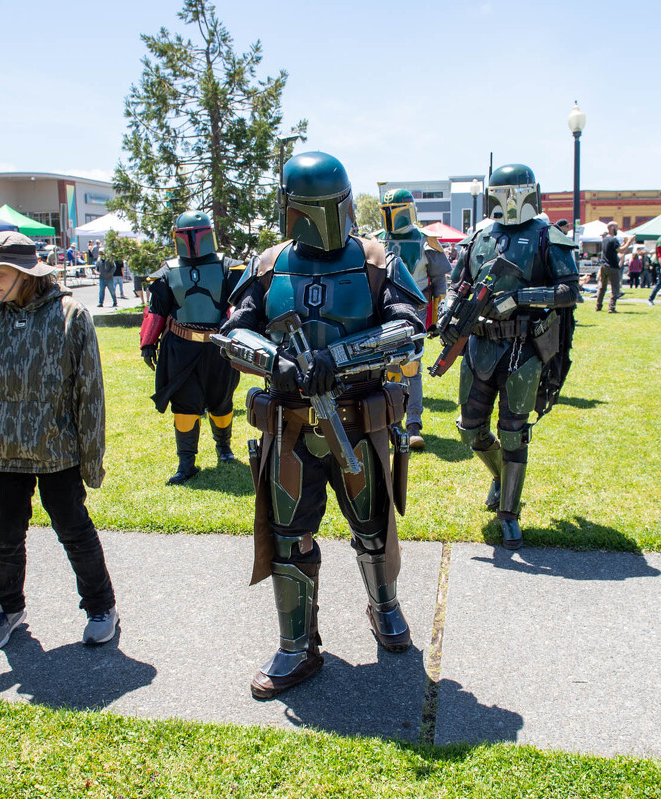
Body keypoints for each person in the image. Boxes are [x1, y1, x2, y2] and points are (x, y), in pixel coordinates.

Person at [219, 151, 426, 699]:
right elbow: (233, 331)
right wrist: (273, 360)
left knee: (373, 523)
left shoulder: (378, 260)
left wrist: (347, 355)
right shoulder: (268, 265)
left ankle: (384, 607)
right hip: (289, 424)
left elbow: (409, 326)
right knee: (290, 537)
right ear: (290, 209)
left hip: (358, 418)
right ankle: (296, 646)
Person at [0, 231, 118, 652]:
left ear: (26, 274)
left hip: (58, 453)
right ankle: (6, 608)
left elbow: (90, 395)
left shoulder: (71, 315)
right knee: (4, 536)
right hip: (0, 452)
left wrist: (92, 461)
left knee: (74, 531)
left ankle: (101, 606)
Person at [443, 163, 580, 548]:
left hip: (524, 345)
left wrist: (519, 298)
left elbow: (569, 291)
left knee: (513, 432)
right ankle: (501, 474)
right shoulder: (481, 235)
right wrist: (450, 308)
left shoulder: (546, 236)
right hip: (479, 341)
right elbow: (460, 282)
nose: (505, 200)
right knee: (469, 429)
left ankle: (509, 513)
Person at [141, 211, 243, 483]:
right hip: (180, 348)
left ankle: (224, 449)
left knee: (221, 401)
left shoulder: (229, 268)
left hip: (219, 348)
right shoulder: (167, 272)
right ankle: (186, 464)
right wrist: (148, 343)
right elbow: (156, 310)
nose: (192, 240)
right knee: (185, 405)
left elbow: (243, 306)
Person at [375, 188, 451, 449]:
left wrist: (437, 315)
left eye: (392, 211)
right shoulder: (377, 240)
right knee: (387, 366)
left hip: (415, 312)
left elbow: (439, 281)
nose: (388, 217)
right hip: (383, 311)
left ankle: (413, 423)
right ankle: (390, 421)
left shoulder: (425, 241)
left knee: (412, 367)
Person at [596, 222, 632, 312]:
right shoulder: (614, 239)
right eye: (616, 227)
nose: (617, 229)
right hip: (612, 266)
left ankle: (598, 306)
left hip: (604, 266)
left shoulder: (605, 239)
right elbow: (621, 250)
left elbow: (615, 250)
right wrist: (629, 242)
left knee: (602, 288)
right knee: (615, 288)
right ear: (612, 228)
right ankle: (611, 307)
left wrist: (623, 243)